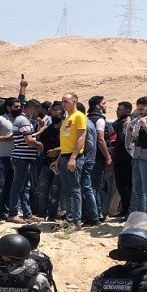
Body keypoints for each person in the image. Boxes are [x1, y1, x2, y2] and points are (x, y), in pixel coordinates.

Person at [58, 93, 88, 227]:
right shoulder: (67, 118)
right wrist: (58, 159)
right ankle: (69, 218)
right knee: (67, 190)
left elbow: (81, 138)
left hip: (73, 156)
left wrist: (73, 157)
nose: (63, 104)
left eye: (66, 101)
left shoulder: (79, 116)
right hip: (65, 156)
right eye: (62, 101)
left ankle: (77, 220)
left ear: (74, 101)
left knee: (75, 189)